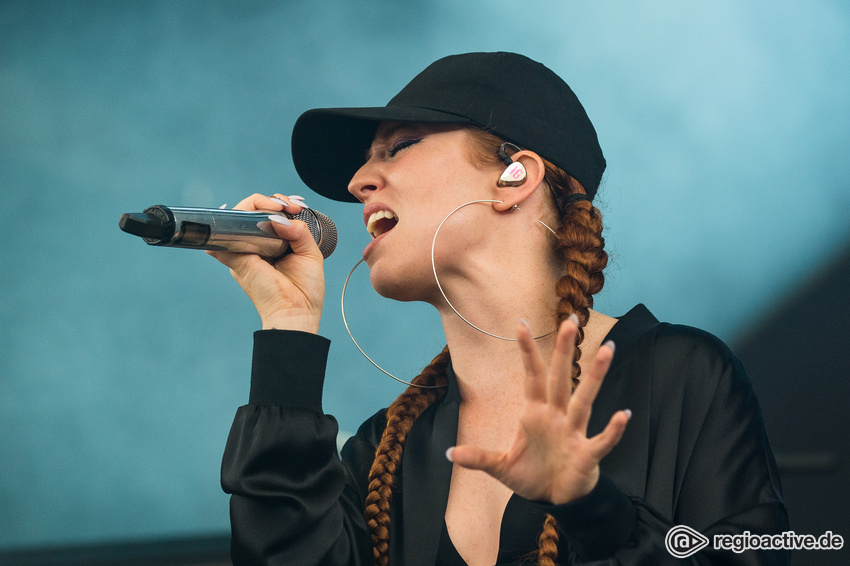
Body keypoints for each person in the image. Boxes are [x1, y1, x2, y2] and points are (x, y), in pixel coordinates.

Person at [211, 52, 789, 565]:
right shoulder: (387, 450)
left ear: (514, 178)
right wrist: (288, 327)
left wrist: (590, 507)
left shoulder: (681, 377)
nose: (360, 180)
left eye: (400, 146)